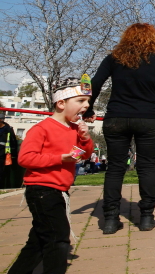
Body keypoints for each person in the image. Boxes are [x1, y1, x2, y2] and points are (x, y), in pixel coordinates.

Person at [87, 23, 155, 234]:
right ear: (152, 39)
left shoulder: (114, 59)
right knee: (146, 166)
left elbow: (94, 83)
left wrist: (88, 108)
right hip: (149, 119)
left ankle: (110, 219)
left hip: (117, 118)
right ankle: (146, 217)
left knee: (115, 168)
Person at [8, 77, 94, 274]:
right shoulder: (42, 129)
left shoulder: (74, 129)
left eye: (87, 101)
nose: (86, 106)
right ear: (61, 103)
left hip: (59, 190)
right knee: (58, 239)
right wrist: (60, 158)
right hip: (42, 190)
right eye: (80, 101)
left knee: (39, 240)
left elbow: (85, 153)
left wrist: (86, 138)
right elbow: (26, 158)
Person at [0, 112, 18, 188]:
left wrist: (14, 155)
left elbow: (13, 142)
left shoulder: (8, 130)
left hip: (3, 154)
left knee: (2, 173)